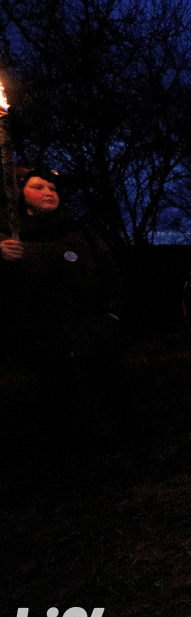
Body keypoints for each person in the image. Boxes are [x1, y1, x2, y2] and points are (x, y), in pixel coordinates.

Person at [0, 165, 125, 451]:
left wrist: (111, 314)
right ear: (19, 193)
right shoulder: (10, 236)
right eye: (38, 187)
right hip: (43, 339)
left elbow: (110, 273)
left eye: (53, 188)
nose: (48, 193)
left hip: (93, 332)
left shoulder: (78, 230)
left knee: (106, 390)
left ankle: (119, 446)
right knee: (57, 396)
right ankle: (63, 451)